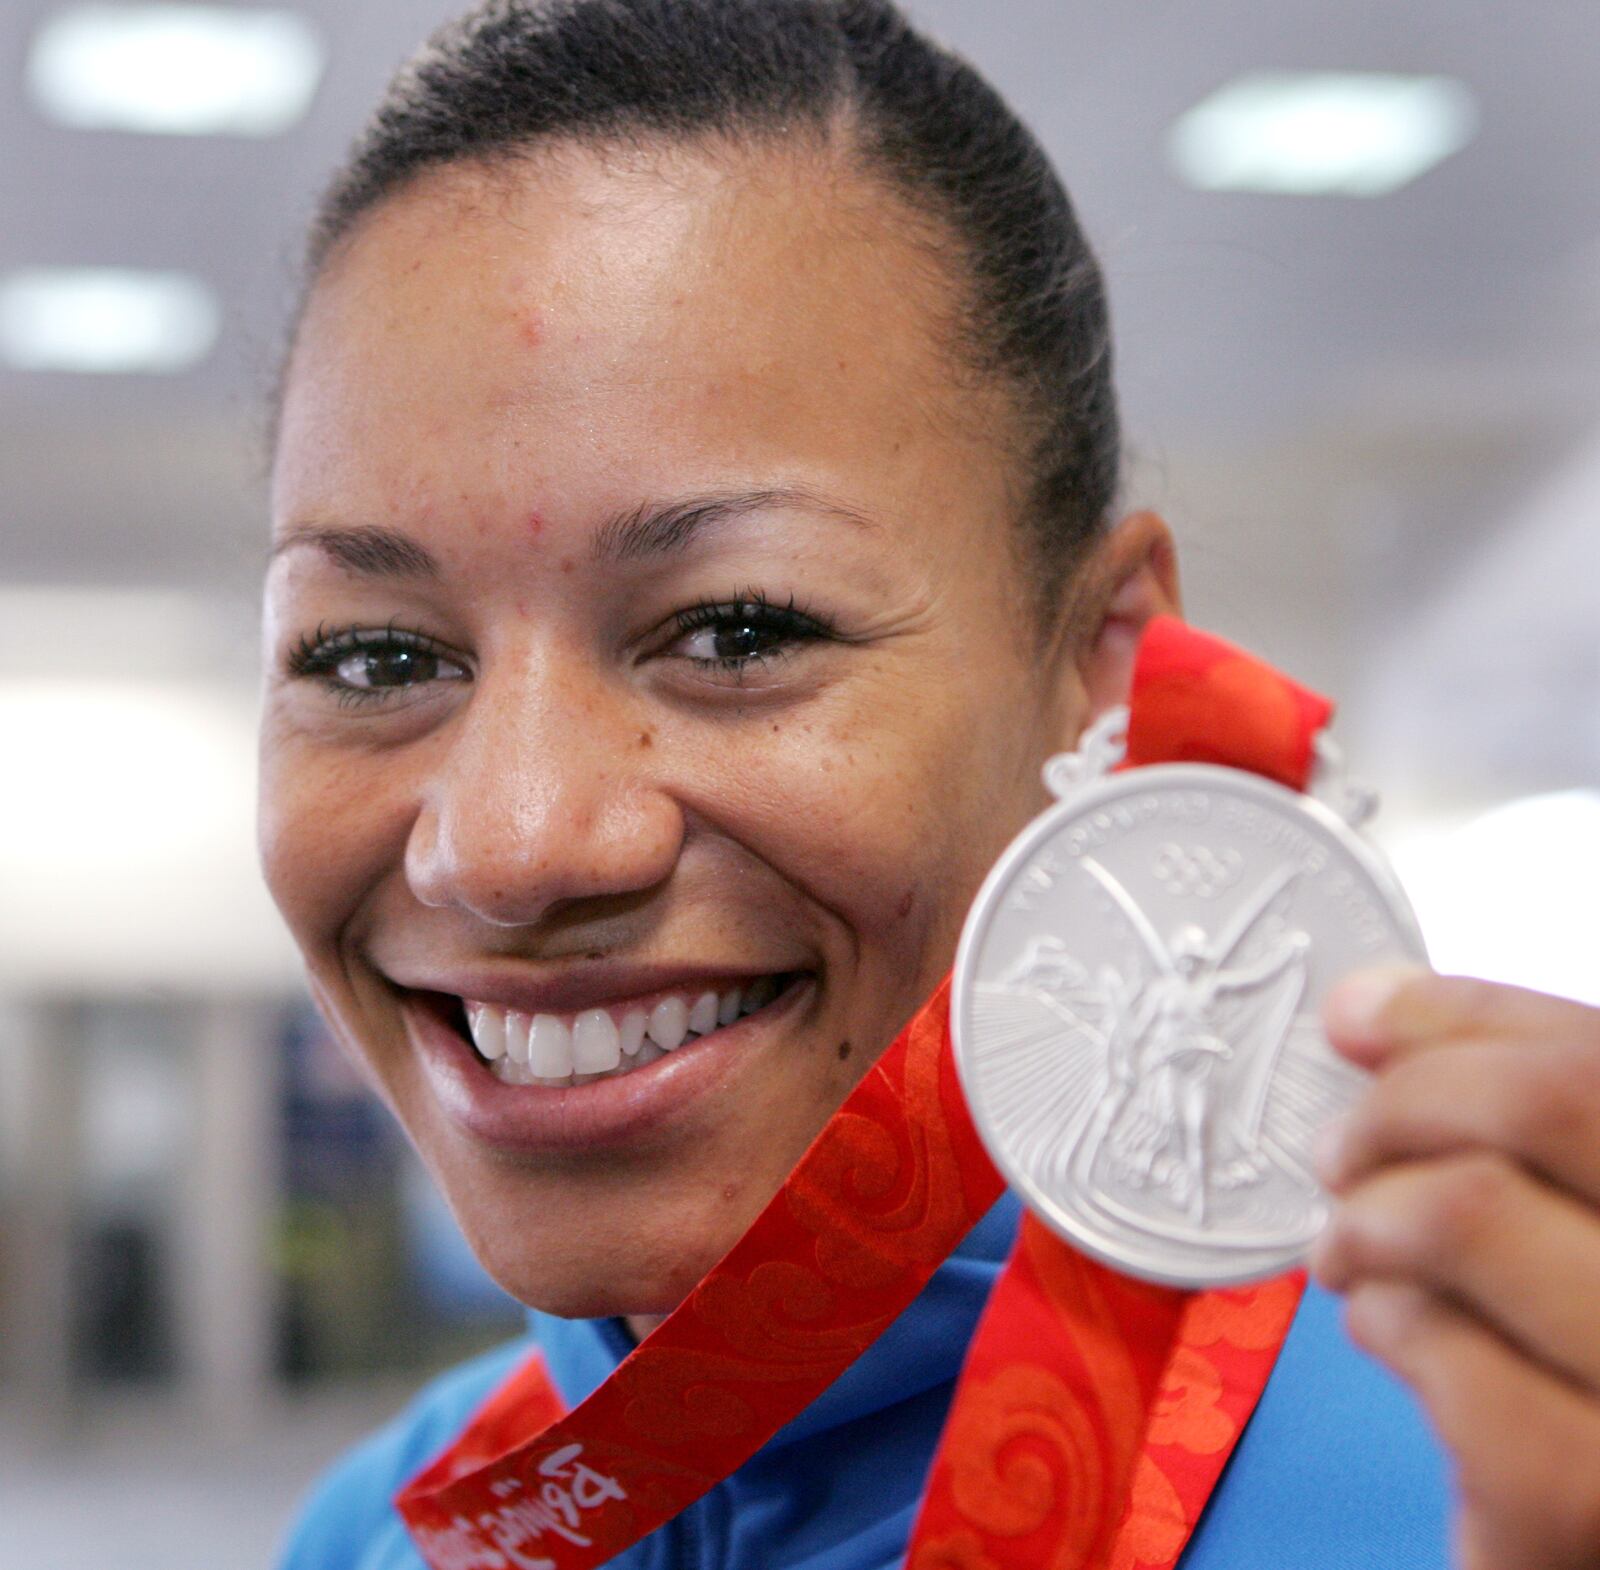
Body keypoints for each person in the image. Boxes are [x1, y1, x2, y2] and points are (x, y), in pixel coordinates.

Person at [258, 2, 1600, 1565]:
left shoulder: (1485, 1486)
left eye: (739, 627)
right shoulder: (383, 1530)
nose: (511, 845)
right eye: (371, 658)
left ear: (1105, 683)